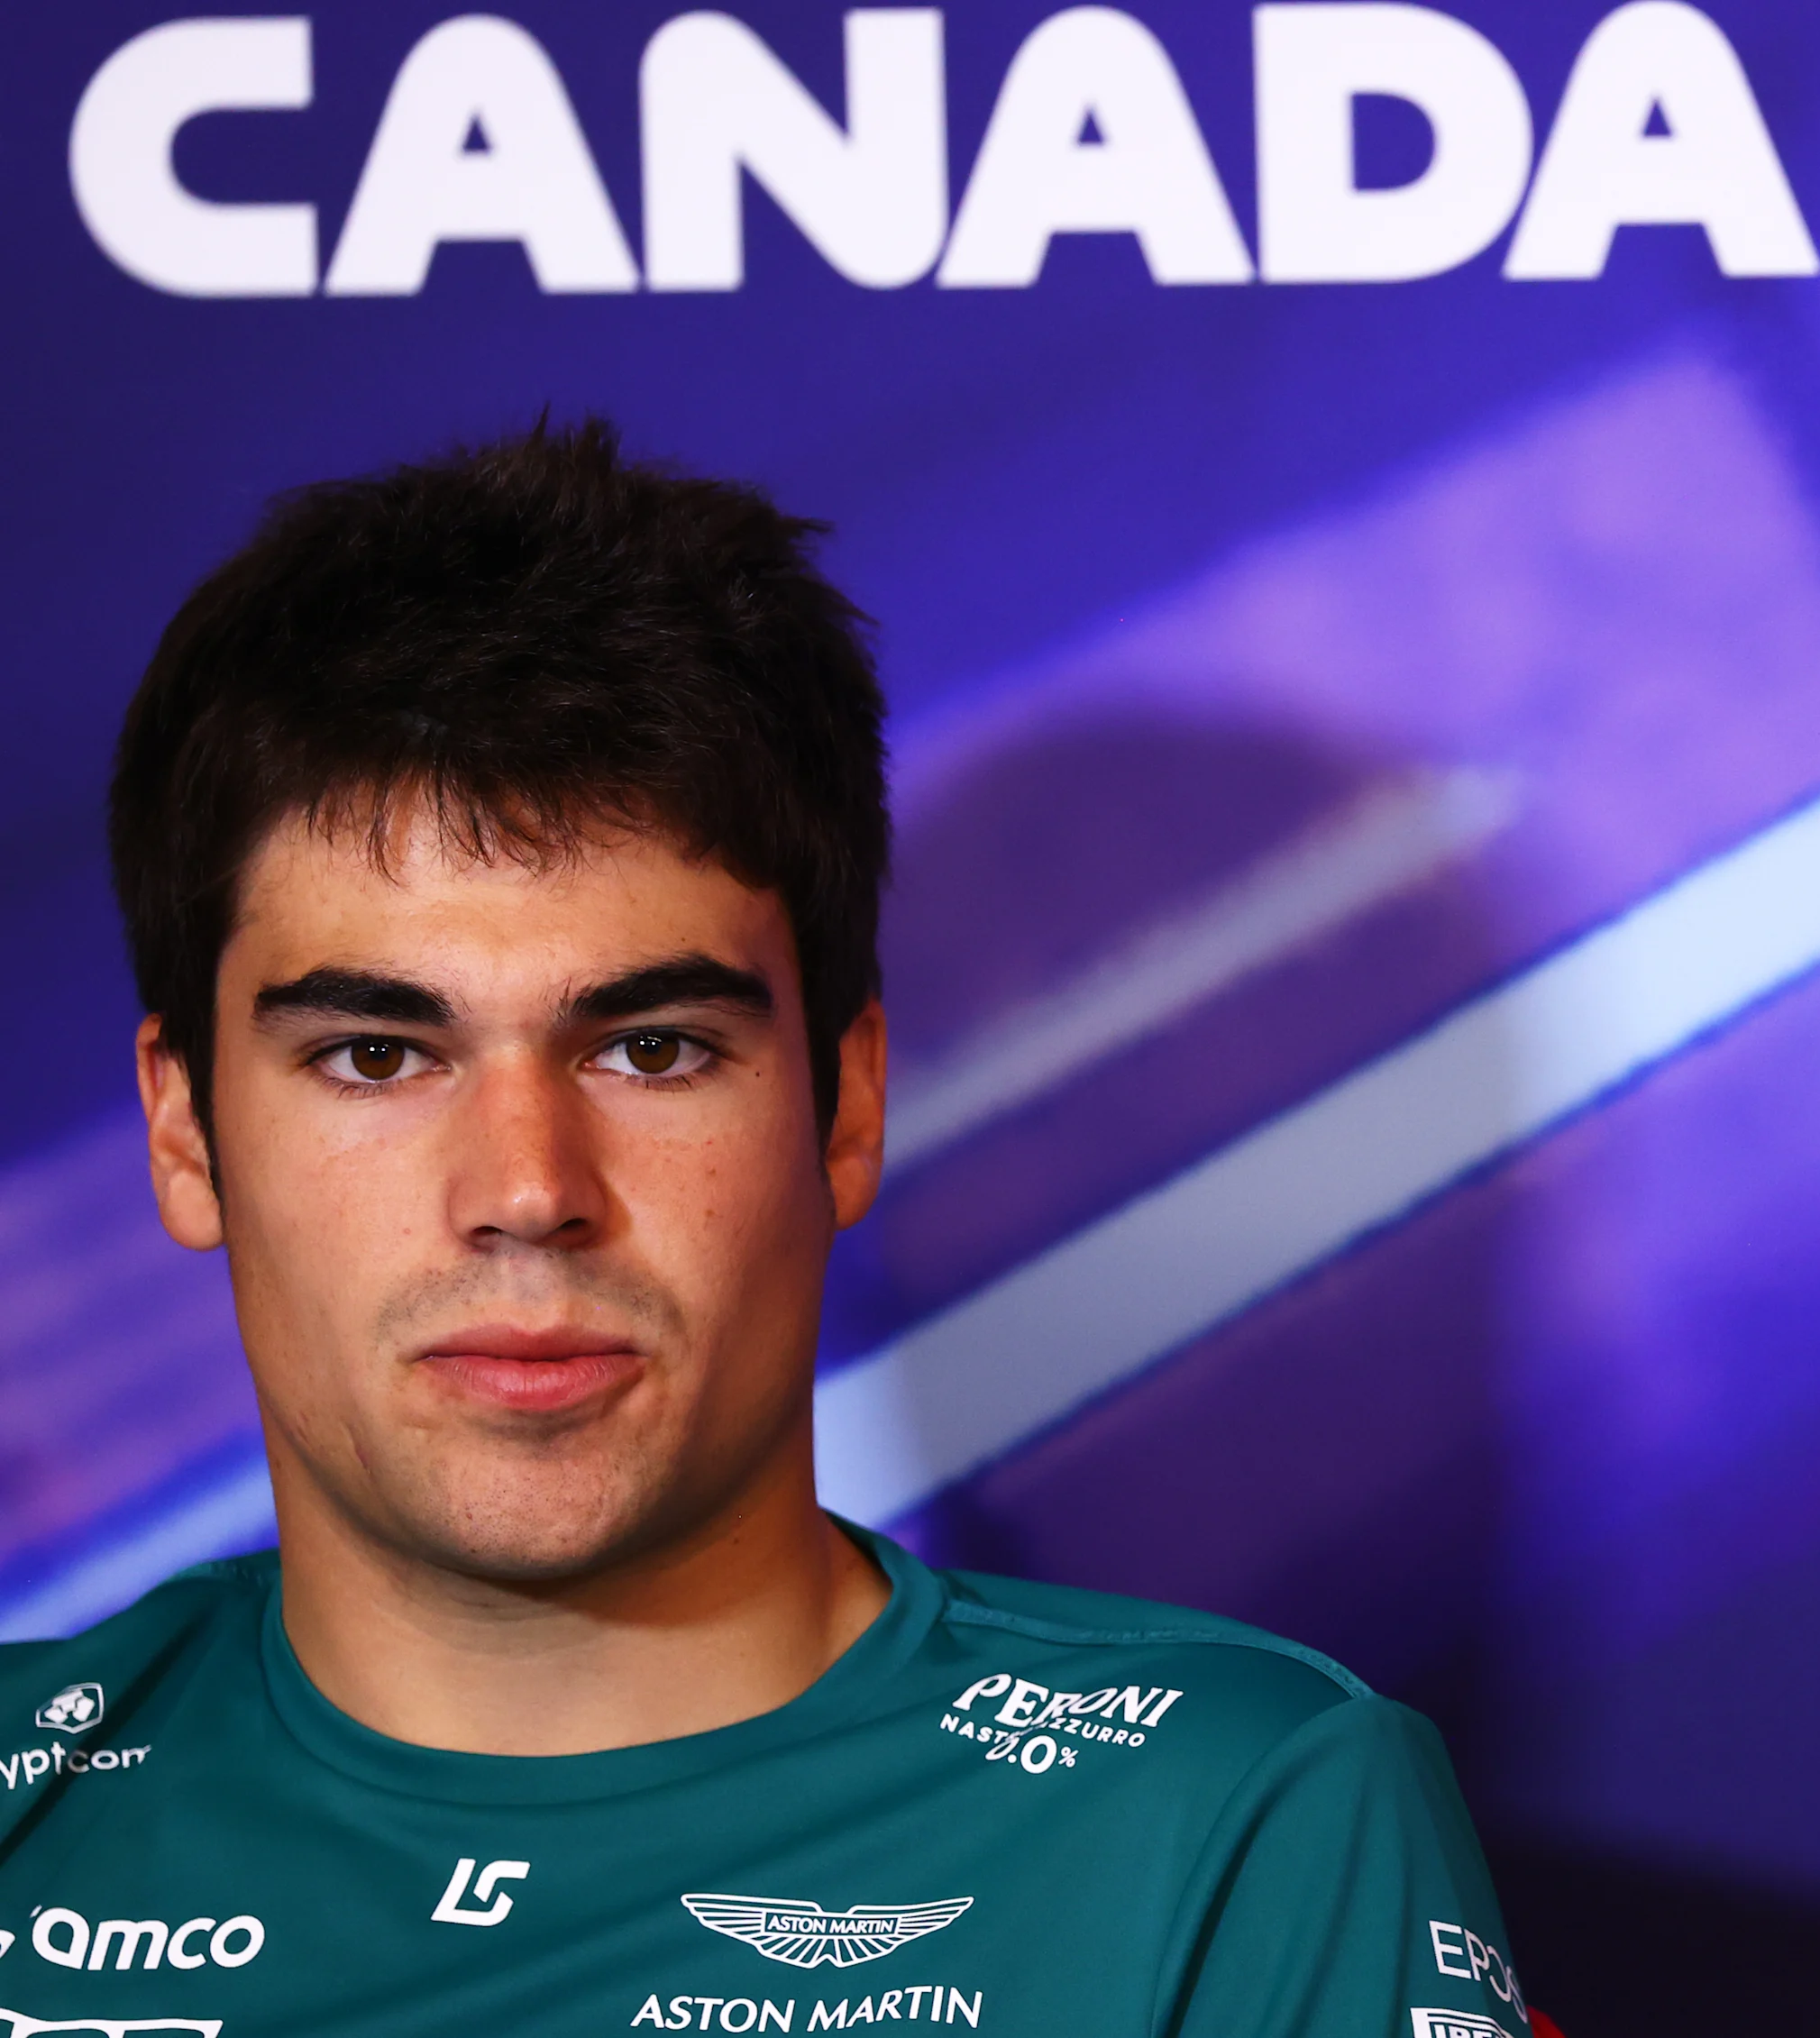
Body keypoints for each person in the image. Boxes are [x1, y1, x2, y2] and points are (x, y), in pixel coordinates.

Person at [0, 421, 1542, 2038]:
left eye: (651, 1048)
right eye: (379, 1055)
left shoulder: (1231, 1823)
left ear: (848, 1104)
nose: (528, 1188)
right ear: (184, 1132)